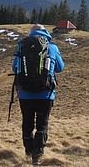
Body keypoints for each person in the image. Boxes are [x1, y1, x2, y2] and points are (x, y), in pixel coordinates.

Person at [12, 24, 65, 165]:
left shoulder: (22, 46)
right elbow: (60, 68)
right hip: (45, 94)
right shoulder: (52, 47)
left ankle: (28, 151)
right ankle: (37, 155)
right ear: (46, 33)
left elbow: (14, 67)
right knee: (42, 124)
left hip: (24, 94)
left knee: (27, 122)